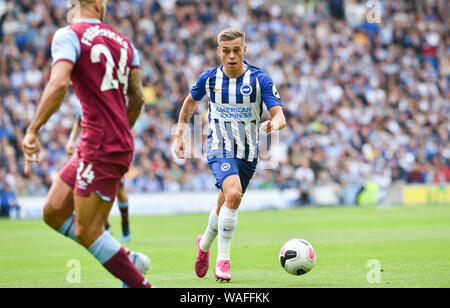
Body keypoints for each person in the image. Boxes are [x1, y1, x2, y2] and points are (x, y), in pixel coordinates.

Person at [21, 0, 150, 288]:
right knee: (53, 211)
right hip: (97, 141)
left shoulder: (69, 35)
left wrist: (33, 130)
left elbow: (58, 83)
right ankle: (125, 256)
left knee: (87, 231)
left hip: (100, 143)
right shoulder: (126, 44)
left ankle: (138, 282)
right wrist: (120, 130)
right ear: (96, 4)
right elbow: (138, 97)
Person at [173, 28, 286, 282]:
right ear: (219, 52)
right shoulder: (209, 79)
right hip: (219, 146)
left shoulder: (260, 80)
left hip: (248, 153)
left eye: (237, 50)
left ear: (244, 50)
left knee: (224, 204)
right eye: (226, 51)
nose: (232, 56)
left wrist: (273, 124)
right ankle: (223, 260)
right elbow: (190, 102)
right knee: (233, 194)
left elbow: (280, 115)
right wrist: (180, 134)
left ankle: (203, 246)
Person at [66, 100, 132, 243]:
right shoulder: (81, 101)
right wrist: (71, 140)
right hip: (89, 152)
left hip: (109, 151)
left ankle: (125, 222)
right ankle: (105, 226)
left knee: (119, 190)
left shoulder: (106, 97)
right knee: (92, 189)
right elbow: (79, 121)